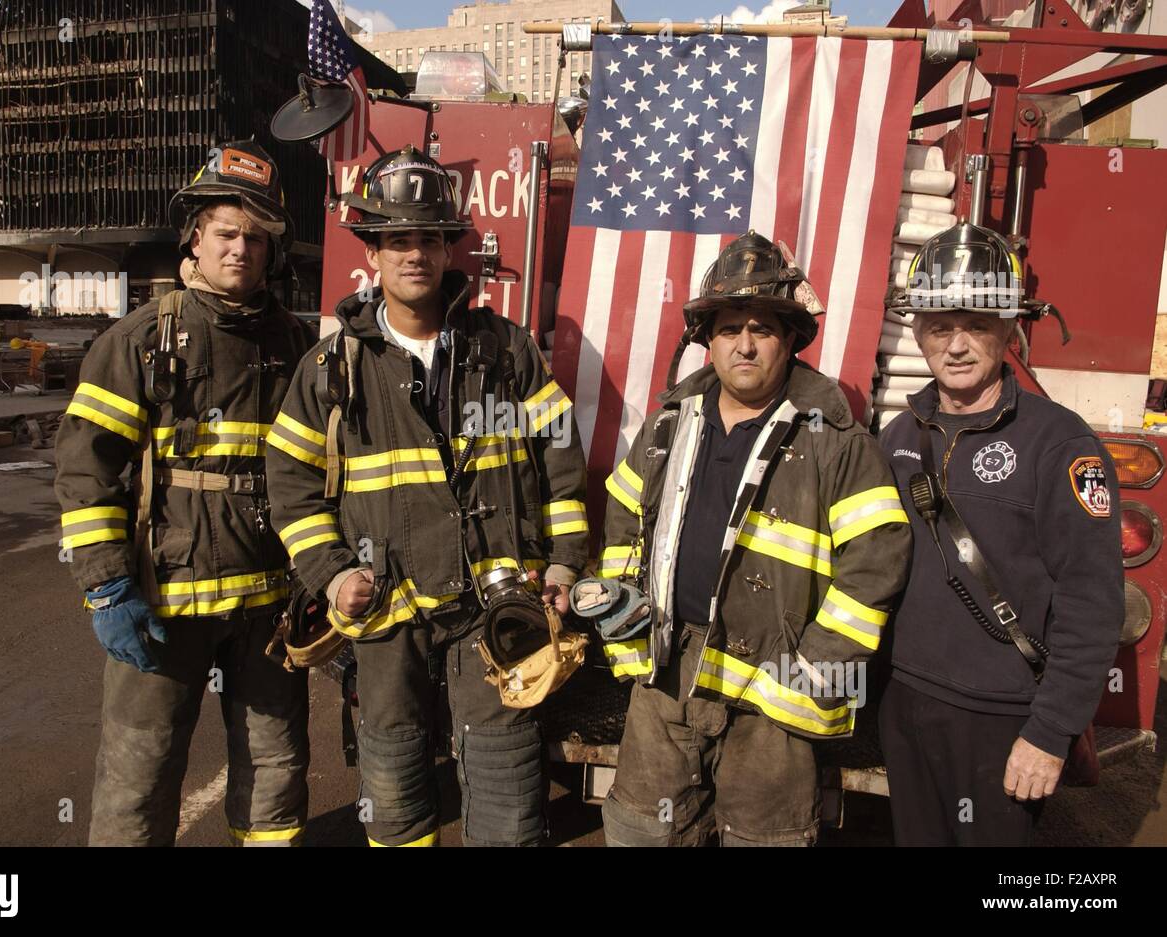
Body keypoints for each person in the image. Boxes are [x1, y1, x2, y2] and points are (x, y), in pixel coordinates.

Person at [264, 145, 589, 847]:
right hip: (386, 611)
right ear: (374, 253)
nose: (414, 253)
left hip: (493, 609)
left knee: (506, 785)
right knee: (394, 784)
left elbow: (560, 458)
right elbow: (288, 482)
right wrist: (331, 572)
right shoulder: (331, 367)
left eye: (430, 238)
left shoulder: (505, 351)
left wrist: (562, 565)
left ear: (450, 251)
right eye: (397, 239)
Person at [596, 232, 912, 846]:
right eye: (728, 327)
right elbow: (623, 518)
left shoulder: (835, 439)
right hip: (666, 680)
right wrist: (624, 615)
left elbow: (877, 561)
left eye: (762, 328)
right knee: (640, 832)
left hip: (773, 693)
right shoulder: (669, 424)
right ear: (705, 339)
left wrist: (810, 670)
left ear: (790, 340)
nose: (744, 343)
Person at [54, 140, 316, 846]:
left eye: (257, 239)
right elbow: (87, 471)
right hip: (165, 602)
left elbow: (324, 468)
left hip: (269, 609)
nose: (241, 250)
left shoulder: (294, 344)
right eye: (227, 234)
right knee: (139, 775)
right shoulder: (140, 341)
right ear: (195, 237)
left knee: (275, 768)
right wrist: (108, 587)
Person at [879, 222, 1122, 846]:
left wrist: (1050, 733)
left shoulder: (1059, 443)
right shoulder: (901, 438)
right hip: (906, 702)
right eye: (939, 324)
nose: (956, 345)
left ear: (1009, 328)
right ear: (918, 331)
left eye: (977, 324)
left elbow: (1092, 602)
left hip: (1004, 717)